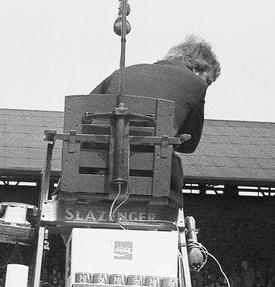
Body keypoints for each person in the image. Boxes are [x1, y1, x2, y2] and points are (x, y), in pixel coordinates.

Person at [91, 35, 220, 193]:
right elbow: (190, 145)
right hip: (153, 175)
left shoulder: (122, 72)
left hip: (93, 166)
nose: (207, 84)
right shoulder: (197, 84)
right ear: (195, 68)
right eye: (208, 80)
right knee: (173, 165)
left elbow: (84, 111)